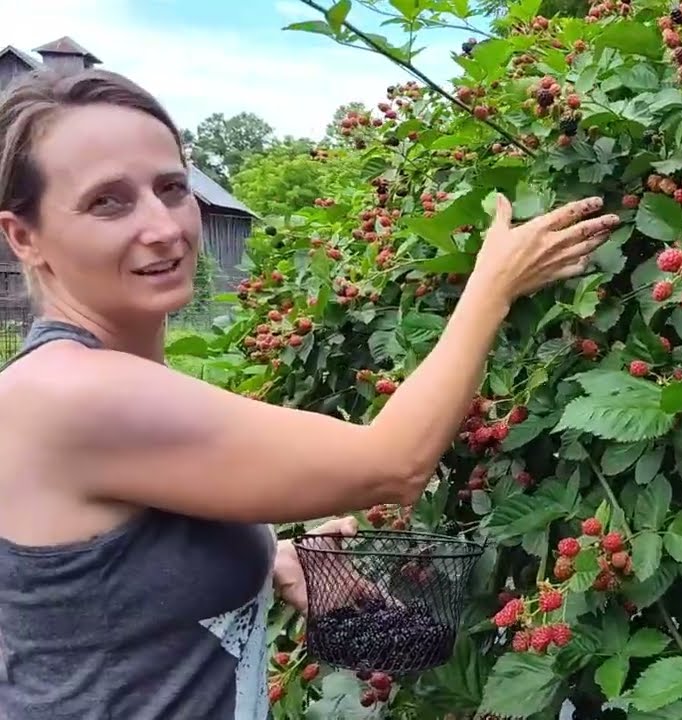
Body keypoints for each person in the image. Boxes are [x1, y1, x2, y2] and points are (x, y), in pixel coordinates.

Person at [0, 67, 618, 719]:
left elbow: (97, 581)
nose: (164, 226)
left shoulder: (103, 389)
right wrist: (493, 285)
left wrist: (270, 558)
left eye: (172, 188)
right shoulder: (70, 395)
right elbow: (395, 463)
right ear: (24, 236)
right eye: (109, 202)